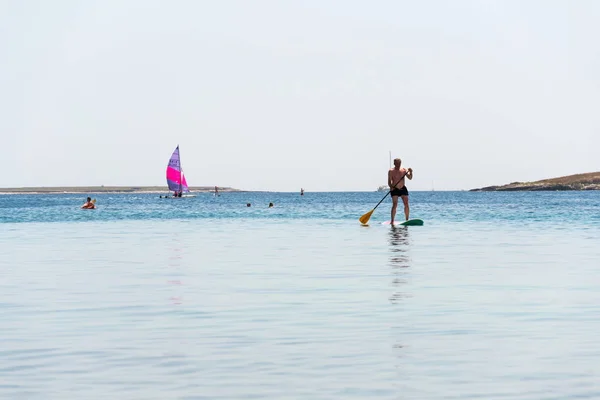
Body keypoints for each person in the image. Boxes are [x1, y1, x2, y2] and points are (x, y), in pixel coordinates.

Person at [388, 158, 413, 223]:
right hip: (395, 189)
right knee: (395, 204)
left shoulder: (404, 170)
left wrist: (411, 172)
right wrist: (391, 187)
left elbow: (410, 178)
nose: (398, 164)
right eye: (397, 163)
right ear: (394, 163)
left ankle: (407, 220)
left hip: (402, 188)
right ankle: (392, 221)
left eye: (399, 163)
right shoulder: (391, 171)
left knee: (406, 204)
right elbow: (389, 182)